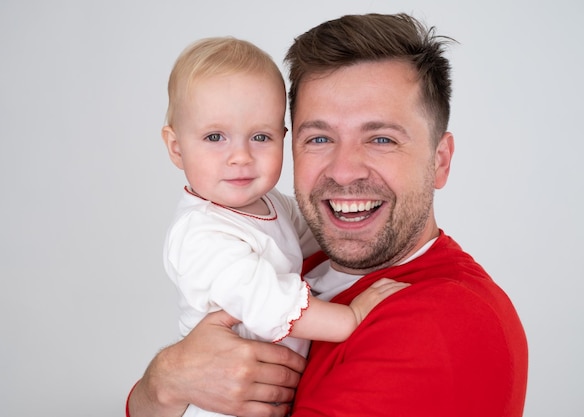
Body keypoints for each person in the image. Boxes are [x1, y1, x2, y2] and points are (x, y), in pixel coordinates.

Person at [128, 13, 528, 417]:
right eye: (319, 138)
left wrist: (168, 385)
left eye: (381, 139)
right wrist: (166, 380)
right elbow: (147, 402)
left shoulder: (443, 323)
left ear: (439, 162)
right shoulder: (307, 254)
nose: (343, 170)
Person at [156, 36, 409, 417]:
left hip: (268, 389)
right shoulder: (200, 234)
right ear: (176, 147)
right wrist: (351, 318)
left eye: (261, 137)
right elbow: (269, 303)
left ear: (283, 140)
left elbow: (314, 235)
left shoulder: (267, 203)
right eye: (214, 137)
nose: (240, 157)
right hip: (220, 402)